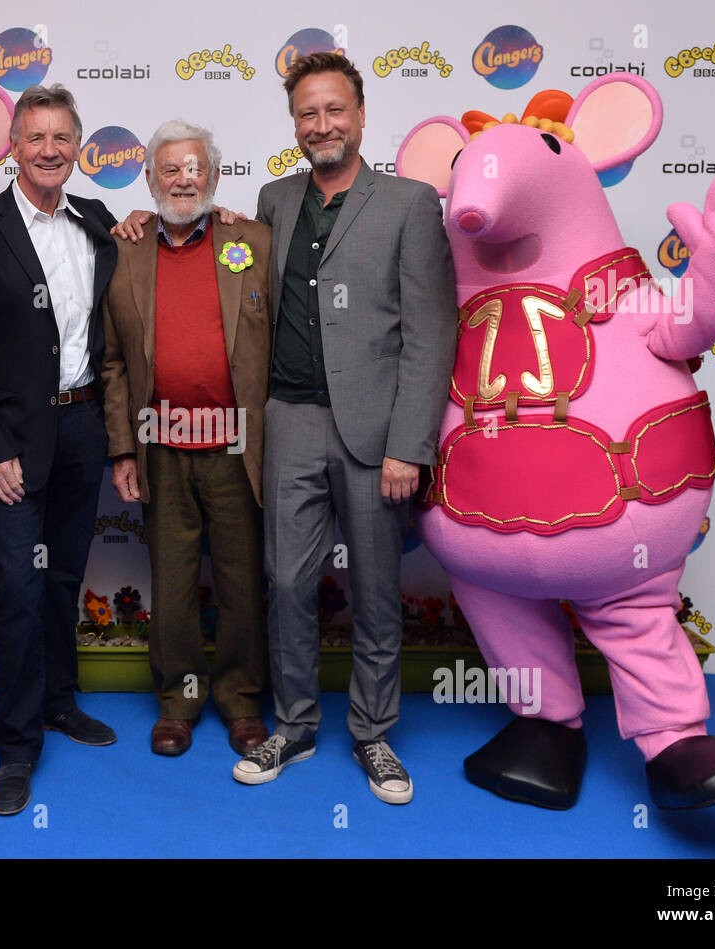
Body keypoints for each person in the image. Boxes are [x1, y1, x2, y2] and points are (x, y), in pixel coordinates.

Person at [233, 52, 458, 803]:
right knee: (287, 582)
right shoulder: (273, 201)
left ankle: (372, 732)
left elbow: (430, 332)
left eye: (334, 110)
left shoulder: (409, 203)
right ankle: (294, 725)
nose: (321, 124)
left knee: (374, 586)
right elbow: (232, 275)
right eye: (307, 113)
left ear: (361, 116)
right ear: (293, 123)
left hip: (376, 435)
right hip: (289, 421)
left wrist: (409, 444)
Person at [0, 84, 118, 817]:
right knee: (16, 589)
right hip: (12, 443)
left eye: (62, 138)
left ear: (78, 148)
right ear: (13, 146)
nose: (49, 150)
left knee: (62, 575)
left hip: (82, 430)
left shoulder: (100, 222)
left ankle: (57, 702)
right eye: (35, 137)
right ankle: (16, 745)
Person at [101, 120, 272, 758]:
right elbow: (114, 361)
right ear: (149, 179)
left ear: (215, 175)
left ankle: (240, 701)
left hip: (236, 448)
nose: (183, 179)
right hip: (161, 447)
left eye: (194, 167)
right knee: (171, 586)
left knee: (241, 582)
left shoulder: (254, 241)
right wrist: (122, 445)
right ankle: (177, 702)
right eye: (168, 169)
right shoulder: (123, 248)